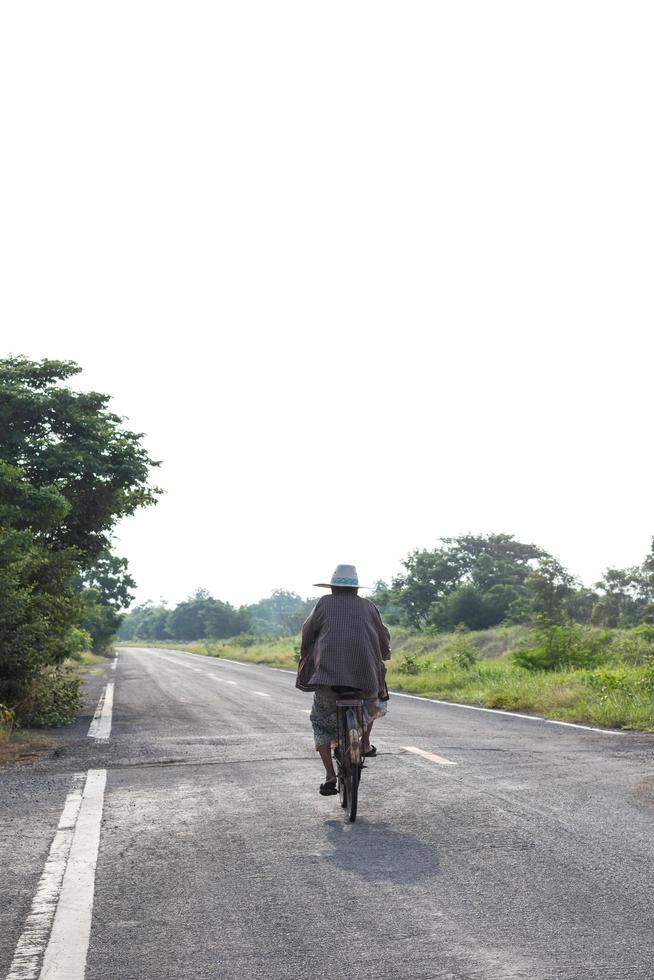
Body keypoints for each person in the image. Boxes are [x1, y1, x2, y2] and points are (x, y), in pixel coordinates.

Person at [296, 564, 391, 796]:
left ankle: (330, 776)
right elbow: (383, 635)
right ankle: (366, 742)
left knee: (319, 721)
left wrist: (306, 654)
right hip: (365, 681)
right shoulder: (369, 606)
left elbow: (307, 632)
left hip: (329, 681)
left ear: (334, 587)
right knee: (375, 701)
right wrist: (383, 655)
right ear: (356, 589)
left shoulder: (324, 604)